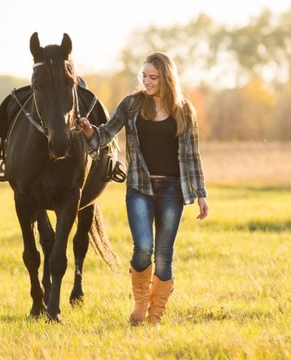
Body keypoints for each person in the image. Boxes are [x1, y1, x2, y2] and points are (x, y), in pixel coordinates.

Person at [75, 52, 209, 326]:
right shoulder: (132, 105)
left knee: (163, 255)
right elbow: (104, 135)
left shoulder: (184, 109)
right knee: (143, 247)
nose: (146, 82)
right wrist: (89, 130)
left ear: (166, 78)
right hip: (139, 187)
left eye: (153, 77)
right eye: (144, 76)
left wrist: (201, 194)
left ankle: (154, 318)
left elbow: (193, 156)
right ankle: (140, 304)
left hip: (173, 189)